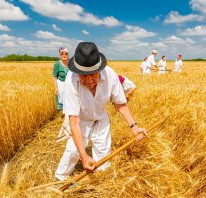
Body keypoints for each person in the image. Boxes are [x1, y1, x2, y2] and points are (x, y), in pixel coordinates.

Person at [55, 42, 147, 181]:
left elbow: (120, 104)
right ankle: (59, 180)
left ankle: (99, 184)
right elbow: (74, 121)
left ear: (100, 69)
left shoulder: (110, 76)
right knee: (73, 151)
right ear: (77, 72)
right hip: (81, 119)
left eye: (93, 74)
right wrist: (83, 156)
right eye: (84, 75)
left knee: (103, 162)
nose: (89, 80)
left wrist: (134, 127)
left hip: (101, 119)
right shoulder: (71, 81)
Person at [52, 47, 69, 111]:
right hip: (61, 84)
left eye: (66, 53)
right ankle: (63, 114)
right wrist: (56, 88)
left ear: (68, 54)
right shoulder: (57, 64)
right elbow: (54, 76)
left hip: (69, 84)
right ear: (60, 55)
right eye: (62, 54)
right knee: (61, 98)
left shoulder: (71, 63)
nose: (64, 55)